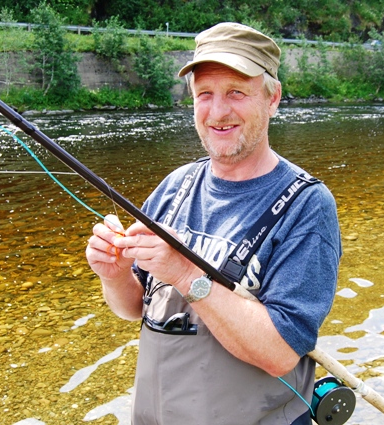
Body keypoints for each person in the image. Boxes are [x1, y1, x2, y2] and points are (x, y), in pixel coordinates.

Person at [86, 22, 341, 425]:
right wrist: (114, 275)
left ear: (272, 98)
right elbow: (133, 308)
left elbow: (280, 354)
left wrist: (184, 273)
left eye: (236, 93)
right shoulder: (175, 186)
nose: (218, 112)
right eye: (205, 94)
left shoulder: (307, 206)